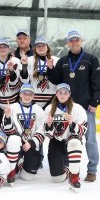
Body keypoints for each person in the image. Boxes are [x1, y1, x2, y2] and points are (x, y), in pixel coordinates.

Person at [47, 30, 100, 182]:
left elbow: (97, 82)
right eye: (71, 41)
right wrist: (50, 69)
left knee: (89, 139)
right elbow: (56, 80)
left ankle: (92, 170)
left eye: (76, 40)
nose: (74, 43)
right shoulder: (63, 61)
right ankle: (67, 167)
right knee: (65, 136)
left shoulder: (91, 59)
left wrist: (95, 102)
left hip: (85, 107)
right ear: (67, 43)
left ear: (81, 41)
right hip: (67, 107)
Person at [44, 83, 87, 191]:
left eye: (65, 92)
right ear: (56, 94)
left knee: (75, 143)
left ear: (69, 94)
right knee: (57, 178)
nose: (62, 95)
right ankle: (68, 168)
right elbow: (47, 134)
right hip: (56, 142)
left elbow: (84, 130)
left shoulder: (77, 108)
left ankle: (74, 175)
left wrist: (72, 124)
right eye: (60, 92)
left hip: (71, 139)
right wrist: (48, 125)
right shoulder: (49, 108)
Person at [1, 83, 45, 185]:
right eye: (25, 93)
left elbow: (42, 130)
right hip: (15, 144)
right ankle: (12, 170)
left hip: (30, 145)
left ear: (33, 96)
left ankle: (19, 162)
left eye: (30, 94)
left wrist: (31, 143)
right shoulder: (12, 107)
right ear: (20, 94)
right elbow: (5, 130)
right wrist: (7, 117)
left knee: (28, 177)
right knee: (14, 139)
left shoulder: (38, 110)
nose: (27, 96)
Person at [21, 35, 59, 109]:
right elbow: (24, 80)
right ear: (35, 48)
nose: (41, 48)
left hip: (51, 99)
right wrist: (24, 65)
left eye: (43, 45)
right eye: (38, 46)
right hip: (34, 98)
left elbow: (57, 80)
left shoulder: (56, 60)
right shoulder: (29, 60)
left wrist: (51, 68)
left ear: (47, 47)